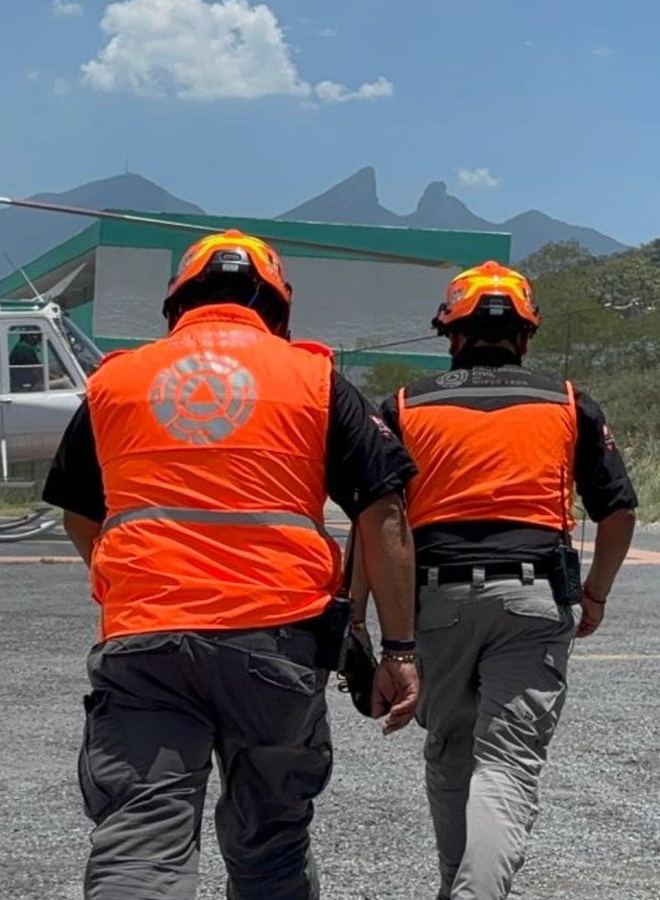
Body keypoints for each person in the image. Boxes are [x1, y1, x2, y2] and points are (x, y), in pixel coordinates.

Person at [43, 229, 422, 899]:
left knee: (139, 844)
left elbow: (79, 511)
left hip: (146, 641)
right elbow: (382, 513)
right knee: (270, 846)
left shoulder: (116, 382)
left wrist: (123, 583)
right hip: (276, 642)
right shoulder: (314, 379)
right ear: (277, 306)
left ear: (176, 301)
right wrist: (397, 649)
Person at [358, 260, 638, 900]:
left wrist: (368, 628)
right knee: (506, 763)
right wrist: (594, 592)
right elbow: (618, 510)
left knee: (453, 754)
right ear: (526, 335)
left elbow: (378, 519)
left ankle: (457, 886)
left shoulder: (402, 407)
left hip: (437, 603)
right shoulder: (568, 402)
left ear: (450, 334)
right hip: (533, 599)